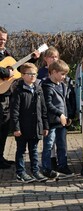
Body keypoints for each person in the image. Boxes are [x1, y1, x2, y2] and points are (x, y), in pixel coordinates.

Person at [0, 26, 40, 169]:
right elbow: (7, 71)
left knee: (4, 128)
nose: (2, 42)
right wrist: (5, 72)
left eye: (4, 39)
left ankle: (0, 157)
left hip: (6, 95)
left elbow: (17, 69)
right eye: (0, 39)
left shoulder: (7, 53)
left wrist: (33, 59)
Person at [10, 63, 49, 183]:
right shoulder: (18, 90)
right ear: (22, 75)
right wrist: (16, 128)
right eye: (29, 74)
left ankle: (35, 171)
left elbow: (43, 108)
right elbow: (14, 111)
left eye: (34, 74)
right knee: (21, 151)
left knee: (34, 150)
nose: (32, 76)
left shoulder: (38, 89)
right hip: (22, 126)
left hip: (35, 126)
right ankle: (20, 173)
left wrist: (45, 125)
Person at [42, 59, 74, 178]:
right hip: (52, 122)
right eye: (62, 74)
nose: (64, 77)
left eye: (65, 74)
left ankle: (63, 166)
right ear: (54, 72)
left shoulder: (63, 85)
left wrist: (68, 115)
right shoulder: (47, 86)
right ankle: (46, 168)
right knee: (49, 145)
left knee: (62, 145)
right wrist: (60, 114)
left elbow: (66, 102)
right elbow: (48, 104)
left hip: (62, 121)